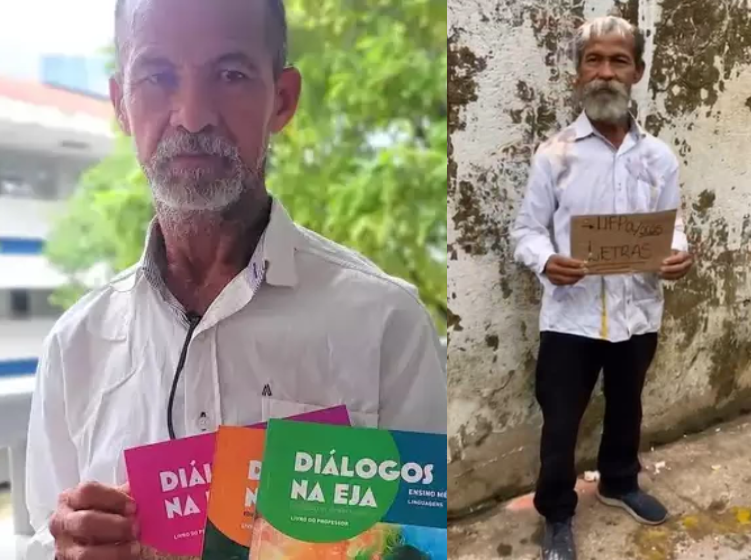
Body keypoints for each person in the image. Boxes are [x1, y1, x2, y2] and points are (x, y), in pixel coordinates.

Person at [24, 0, 446, 558]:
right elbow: (43, 532)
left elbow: (423, 539)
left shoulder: (387, 326)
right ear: (121, 103)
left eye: (230, 75)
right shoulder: (76, 347)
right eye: (156, 76)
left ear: (283, 100)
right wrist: (67, 545)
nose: (192, 116)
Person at [510, 16, 693, 560]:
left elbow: (670, 224)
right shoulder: (555, 155)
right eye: (594, 60)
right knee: (561, 421)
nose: (606, 72)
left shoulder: (659, 157)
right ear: (577, 74)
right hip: (572, 316)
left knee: (627, 406)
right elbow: (525, 231)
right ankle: (557, 513)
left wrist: (677, 252)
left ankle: (618, 482)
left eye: (618, 61)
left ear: (637, 72)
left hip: (638, 312)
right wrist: (546, 260)